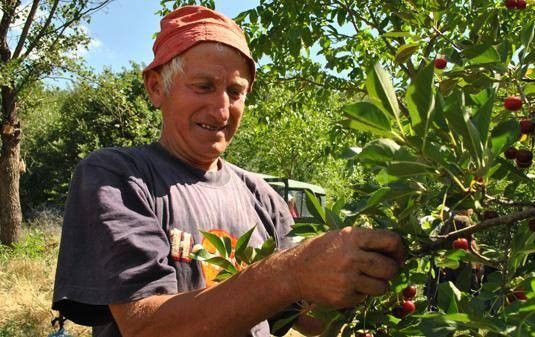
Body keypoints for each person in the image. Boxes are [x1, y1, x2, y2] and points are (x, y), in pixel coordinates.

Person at [51, 6, 405, 337]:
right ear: (157, 87)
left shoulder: (262, 197)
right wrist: (291, 272)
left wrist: (366, 274)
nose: (222, 111)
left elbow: (309, 318)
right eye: (203, 86)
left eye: (235, 92)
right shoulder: (118, 176)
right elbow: (146, 327)